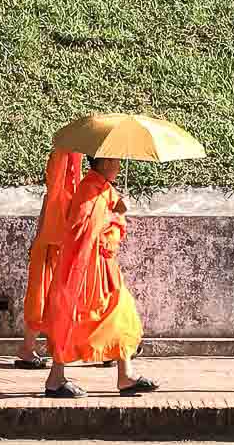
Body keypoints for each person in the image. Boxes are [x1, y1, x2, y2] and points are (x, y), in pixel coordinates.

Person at [41, 156, 158, 398]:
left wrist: (117, 211)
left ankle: (125, 376)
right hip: (85, 270)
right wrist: (115, 216)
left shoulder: (104, 188)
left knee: (122, 314)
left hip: (105, 268)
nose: (118, 166)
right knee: (72, 317)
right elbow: (81, 229)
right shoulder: (89, 189)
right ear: (103, 163)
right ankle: (55, 379)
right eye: (115, 161)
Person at [15, 149, 84, 369]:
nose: (72, 171)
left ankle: (31, 348)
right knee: (43, 300)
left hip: (52, 248)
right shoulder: (60, 192)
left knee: (44, 299)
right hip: (52, 249)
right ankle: (29, 349)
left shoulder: (60, 192)